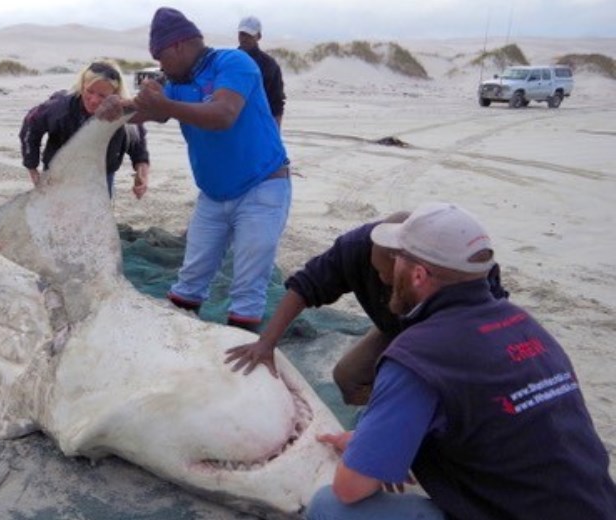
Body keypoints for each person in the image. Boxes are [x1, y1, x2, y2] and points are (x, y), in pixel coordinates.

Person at [306, 202, 616, 519]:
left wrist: (365, 460)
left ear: (418, 274)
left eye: (398, 256)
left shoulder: (417, 355)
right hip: (597, 506)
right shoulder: (526, 327)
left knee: (329, 507)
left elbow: (350, 488)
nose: (387, 271)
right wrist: (373, 444)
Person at [110, 7, 291, 332]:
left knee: (247, 287)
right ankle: (176, 344)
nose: (160, 65)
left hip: (262, 187)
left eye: (160, 56)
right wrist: (113, 109)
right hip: (213, 196)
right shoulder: (177, 81)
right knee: (189, 281)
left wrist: (165, 106)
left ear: (178, 46)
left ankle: (239, 362)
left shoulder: (233, 63)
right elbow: (142, 112)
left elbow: (224, 114)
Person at [223, 211, 509, 405]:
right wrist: (267, 342)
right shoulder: (357, 246)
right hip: (395, 326)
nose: (382, 281)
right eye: (378, 273)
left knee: (440, 398)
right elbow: (304, 286)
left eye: (390, 279)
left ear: (418, 270)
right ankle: (382, 418)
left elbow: (490, 332)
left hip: (455, 340)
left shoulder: (462, 267)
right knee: (348, 378)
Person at [20, 61, 151, 199]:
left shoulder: (125, 115)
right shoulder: (59, 108)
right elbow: (31, 124)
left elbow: (138, 145)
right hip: (59, 174)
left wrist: (141, 174)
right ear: (82, 86)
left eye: (102, 96)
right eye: (89, 91)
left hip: (101, 175)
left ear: (115, 94)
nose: (93, 100)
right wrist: (33, 169)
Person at [237, 16, 286, 127]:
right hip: (232, 124)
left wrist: (275, 134)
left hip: (259, 124)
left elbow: (277, 102)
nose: (244, 38)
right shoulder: (227, 61)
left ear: (258, 36)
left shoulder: (269, 65)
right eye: (242, 34)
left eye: (249, 35)